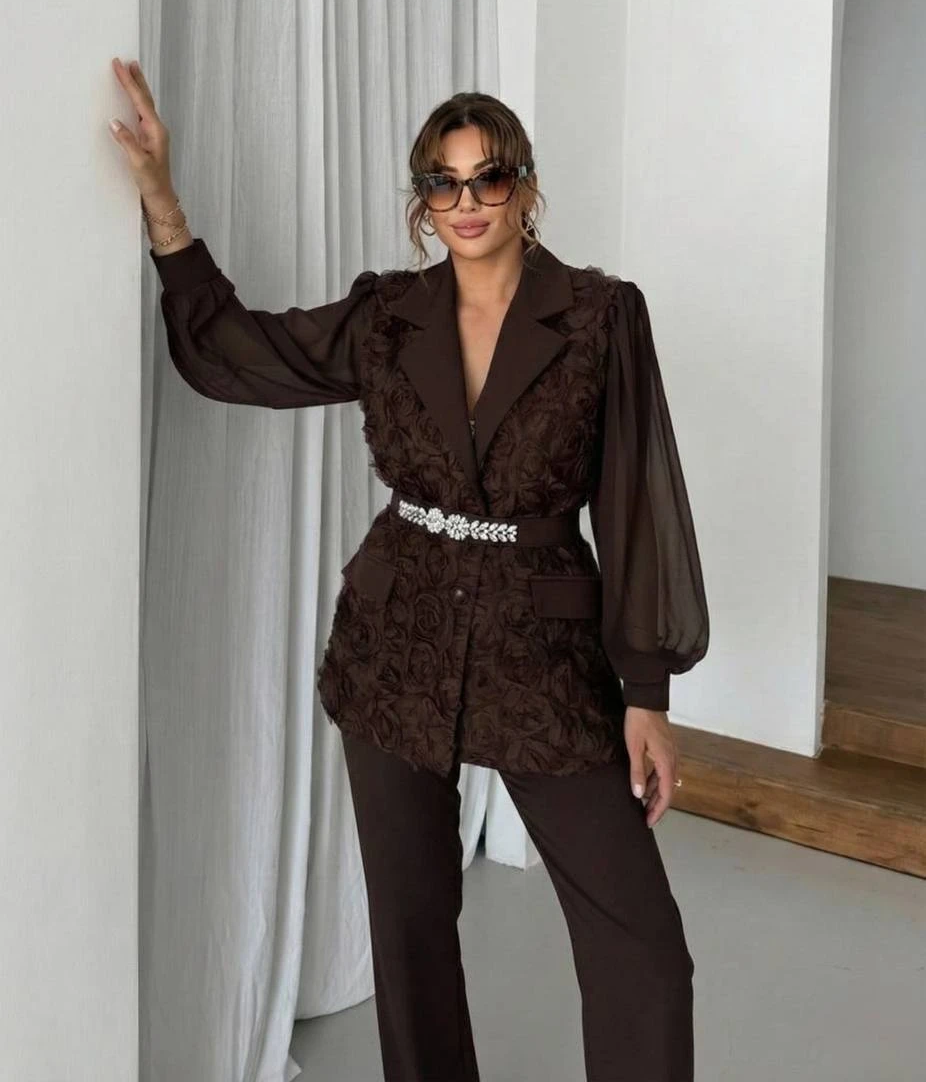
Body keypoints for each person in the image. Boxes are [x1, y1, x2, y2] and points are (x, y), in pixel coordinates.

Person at [109, 54, 710, 1082]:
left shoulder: (600, 316)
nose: (466, 202)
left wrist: (644, 692)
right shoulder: (388, 316)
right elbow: (234, 354)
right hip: (395, 644)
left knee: (642, 946)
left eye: (488, 177)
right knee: (411, 930)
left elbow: (636, 505)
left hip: (543, 651)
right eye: (443, 181)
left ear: (524, 186)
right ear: (422, 200)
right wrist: (163, 202)